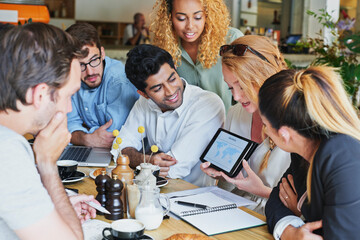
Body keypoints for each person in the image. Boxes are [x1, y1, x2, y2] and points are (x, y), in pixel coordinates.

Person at [0, 23, 98, 240]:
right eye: (69, 95)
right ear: (41, 95)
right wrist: (48, 164)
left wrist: (47, 206)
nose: (69, 108)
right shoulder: (7, 150)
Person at [259, 66, 360, 239]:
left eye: (265, 125)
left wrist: (300, 213)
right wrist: (291, 233)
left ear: (284, 135)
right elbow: (276, 201)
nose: (264, 131)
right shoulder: (304, 146)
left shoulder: (342, 156)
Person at [200, 35, 291, 214]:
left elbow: (308, 206)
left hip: (276, 218)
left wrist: (261, 191)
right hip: (233, 211)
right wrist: (222, 173)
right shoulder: (235, 114)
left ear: (265, 76)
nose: (235, 97)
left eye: (241, 86)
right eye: (230, 88)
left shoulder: (295, 121)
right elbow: (226, 187)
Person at [111, 44, 225, 187]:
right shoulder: (143, 103)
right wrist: (146, 160)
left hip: (191, 195)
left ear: (176, 70)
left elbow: (174, 168)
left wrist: (140, 159)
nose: (170, 91)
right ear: (144, 94)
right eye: (158, 88)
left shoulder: (207, 104)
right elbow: (119, 149)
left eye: (172, 79)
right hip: (150, 189)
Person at [150, 0, 243, 111]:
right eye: (181, 18)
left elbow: (247, 90)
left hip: (227, 123)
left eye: (198, 17)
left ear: (207, 15)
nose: (190, 26)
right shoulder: (164, 46)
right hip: (185, 125)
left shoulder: (231, 40)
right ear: (169, 17)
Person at [66, 23, 139, 148]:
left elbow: (111, 137)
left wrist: (80, 135)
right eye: (81, 65)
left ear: (102, 53)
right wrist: (86, 139)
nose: (90, 72)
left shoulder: (119, 80)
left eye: (94, 60)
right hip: (92, 149)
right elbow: (69, 125)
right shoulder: (70, 78)